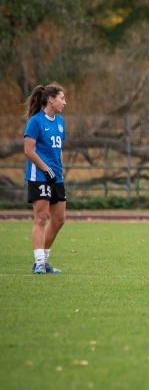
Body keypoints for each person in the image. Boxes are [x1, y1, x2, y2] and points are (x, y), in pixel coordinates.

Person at [23, 84, 68, 274]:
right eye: (62, 98)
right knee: (41, 218)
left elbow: (58, 151)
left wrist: (59, 170)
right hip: (39, 175)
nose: (64, 102)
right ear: (51, 99)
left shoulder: (60, 121)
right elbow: (29, 150)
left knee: (59, 220)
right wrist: (46, 169)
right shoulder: (36, 121)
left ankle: (44, 262)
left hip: (56, 177)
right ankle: (39, 262)